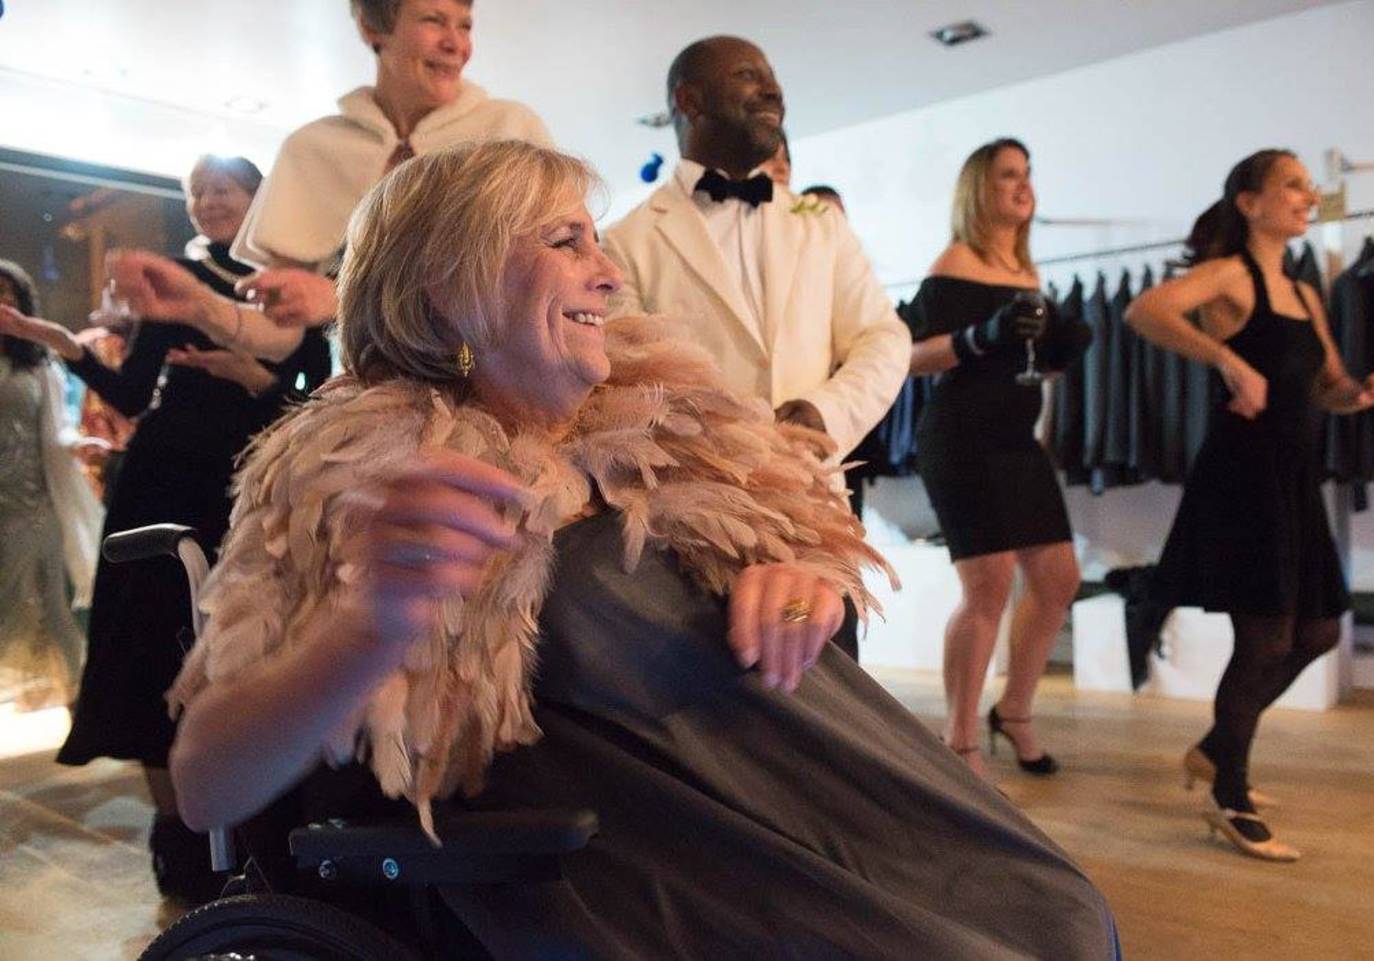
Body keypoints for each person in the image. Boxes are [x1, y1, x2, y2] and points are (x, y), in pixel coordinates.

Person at [152, 140, 1117, 959]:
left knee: (1056, 913)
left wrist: (796, 585)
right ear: (448, 281)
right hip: (638, 863)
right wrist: (370, 625)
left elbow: (803, 561)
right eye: (565, 242)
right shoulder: (353, 472)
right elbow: (206, 786)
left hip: (806, 785)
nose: (608, 273)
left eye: (598, 242)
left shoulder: (675, 421)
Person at [0, 153, 332, 904]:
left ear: (259, 200)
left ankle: (259, 837)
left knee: (246, 657)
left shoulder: (293, 287)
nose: (209, 202)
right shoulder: (173, 285)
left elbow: (313, 397)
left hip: (252, 490)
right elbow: (126, 390)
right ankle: (181, 838)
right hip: (157, 485)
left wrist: (250, 378)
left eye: (225, 189)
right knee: (149, 663)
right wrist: (52, 337)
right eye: (196, 192)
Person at [1125, 149, 1374, 862]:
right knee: (1266, 639)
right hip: (1243, 479)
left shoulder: (1306, 294)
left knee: (1316, 634)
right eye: (1293, 185)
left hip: (1295, 479)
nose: (1308, 196)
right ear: (1250, 202)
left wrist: (1362, 391)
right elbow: (1144, 310)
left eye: (1309, 186)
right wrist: (1226, 357)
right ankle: (1230, 795)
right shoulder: (1229, 277)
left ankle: (1218, 748)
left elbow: (1327, 385)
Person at [139, 0, 551, 364]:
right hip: (375, 402)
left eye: (464, 25)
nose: (456, 44)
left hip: (494, 388)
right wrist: (200, 306)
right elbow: (281, 336)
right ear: (373, 28)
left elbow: (538, 286)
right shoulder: (311, 149)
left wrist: (338, 299)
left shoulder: (511, 130)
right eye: (434, 20)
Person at [602, 36, 909, 470]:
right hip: (697, 501)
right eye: (749, 75)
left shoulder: (821, 222)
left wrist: (827, 412)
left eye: (773, 79)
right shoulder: (625, 242)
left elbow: (883, 336)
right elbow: (629, 384)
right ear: (690, 101)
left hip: (817, 489)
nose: (774, 91)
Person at [905, 138, 1092, 778]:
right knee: (987, 586)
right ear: (979, 190)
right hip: (962, 438)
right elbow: (910, 358)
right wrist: (978, 336)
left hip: (1018, 441)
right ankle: (959, 743)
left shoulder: (1026, 272)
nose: (1023, 184)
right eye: (1009, 174)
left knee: (1060, 577)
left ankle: (1012, 711)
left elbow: (1029, 367)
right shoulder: (956, 261)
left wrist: (1063, 351)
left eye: (1028, 173)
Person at [0, 260, 103, 710]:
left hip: (33, 502)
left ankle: (79, 703)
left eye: (8, 294)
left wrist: (81, 444)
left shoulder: (40, 364)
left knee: (52, 605)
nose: (1, 302)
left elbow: (58, 430)